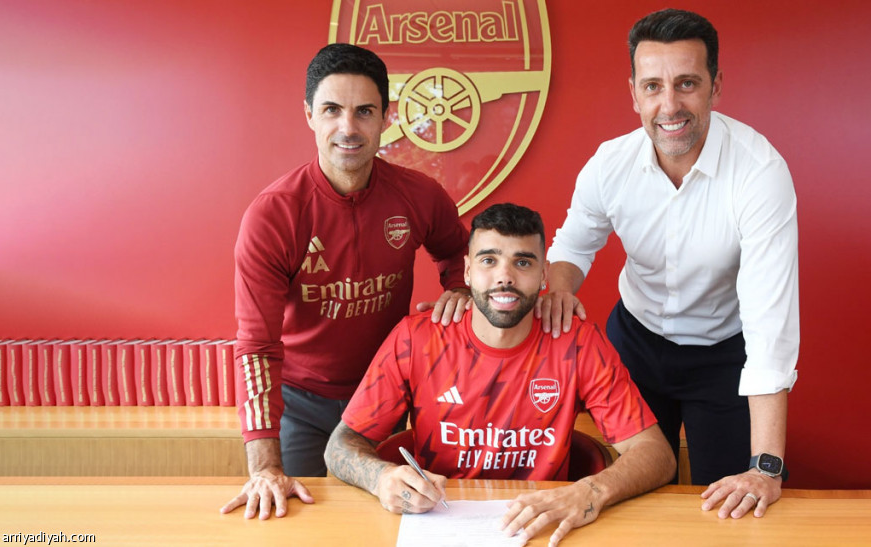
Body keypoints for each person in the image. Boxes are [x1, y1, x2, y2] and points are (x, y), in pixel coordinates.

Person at [539, 9, 799, 520]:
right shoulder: (609, 163)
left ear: (715, 87)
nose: (669, 105)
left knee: (729, 506)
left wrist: (766, 467)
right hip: (635, 346)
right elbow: (573, 243)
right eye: (653, 86)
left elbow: (770, 327)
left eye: (687, 83)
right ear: (634, 94)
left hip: (724, 356)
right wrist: (561, 290)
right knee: (626, 497)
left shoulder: (760, 173)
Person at [325, 203, 675, 547]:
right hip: (439, 527)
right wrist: (380, 477)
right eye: (488, 260)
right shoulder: (415, 339)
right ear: (467, 271)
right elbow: (341, 446)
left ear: (544, 275)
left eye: (522, 262)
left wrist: (591, 490)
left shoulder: (578, 343)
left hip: (541, 531)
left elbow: (657, 454)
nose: (505, 277)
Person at [221, 43, 472, 520]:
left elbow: (461, 254)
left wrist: (460, 290)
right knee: (297, 519)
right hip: (300, 402)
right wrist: (265, 466)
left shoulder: (419, 195)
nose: (348, 128)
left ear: (386, 118)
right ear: (309, 116)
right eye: (332, 110)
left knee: (394, 517)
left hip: (386, 397)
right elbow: (255, 348)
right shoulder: (274, 215)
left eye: (364, 112)